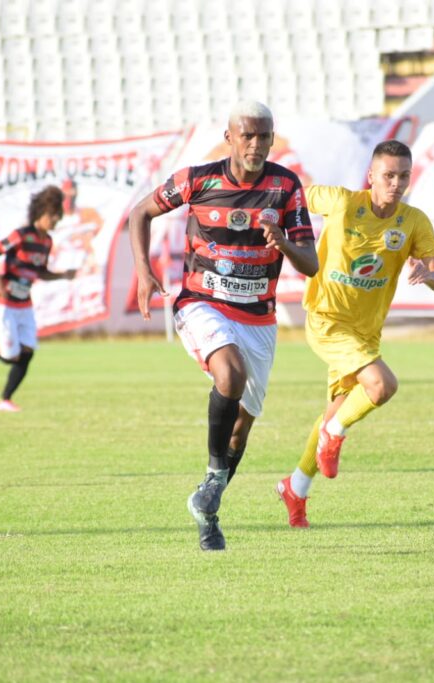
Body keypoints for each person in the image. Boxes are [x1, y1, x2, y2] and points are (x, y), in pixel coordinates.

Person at [128, 101, 318, 551]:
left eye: (263, 136)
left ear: (272, 139)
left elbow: (310, 264)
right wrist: (143, 270)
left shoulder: (286, 187)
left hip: (259, 318)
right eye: (247, 135)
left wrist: (285, 244)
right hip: (202, 302)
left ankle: (207, 508)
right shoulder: (198, 179)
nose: (255, 144)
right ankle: (213, 480)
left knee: (241, 429)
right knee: (229, 374)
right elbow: (140, 213)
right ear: (229, 136)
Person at [275, 140, 434, 528]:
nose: (396, 183)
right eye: (388, 175)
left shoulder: (414, 221)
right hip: (326, 318)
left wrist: (428, 275)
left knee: (334, 410)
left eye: (403, 175)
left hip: (366, 334)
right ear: (371, 175)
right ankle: (334, 436)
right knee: (382, 386)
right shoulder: (339, 201)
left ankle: (296, 487)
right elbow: (292, 195)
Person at [0, 185, 77, 412]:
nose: (55, 220)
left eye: (58, 216)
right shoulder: (21, 235)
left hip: (24, 305)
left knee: (28, 352)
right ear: (40, 212)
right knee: (9, 357)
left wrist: (63, 274)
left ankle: (5, 399)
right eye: (52, 215)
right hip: (4, 303)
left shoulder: (46, 242)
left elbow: (40, 271)